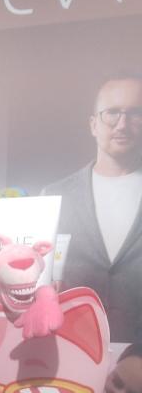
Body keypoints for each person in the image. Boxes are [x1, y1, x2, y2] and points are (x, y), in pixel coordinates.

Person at [42, 74, 142, 343]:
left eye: (135, 114)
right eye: (112, 113)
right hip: (70, 349)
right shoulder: (55, 196)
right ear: (93, 125)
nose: (122, 124)